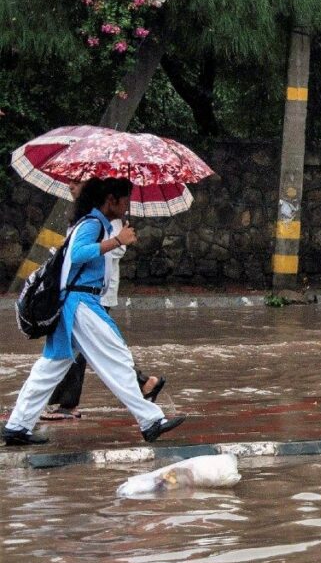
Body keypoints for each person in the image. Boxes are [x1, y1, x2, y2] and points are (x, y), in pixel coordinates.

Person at [2, 178, 185, 445]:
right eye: (125, 200)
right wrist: (116, 240)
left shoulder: (88, 222)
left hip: (73, 306)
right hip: (81, 305)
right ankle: (151, 421)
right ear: (111, 200)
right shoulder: (93, 224)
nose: (127, 206)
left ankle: (18, 426)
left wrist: (115, 239)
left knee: (51, 368)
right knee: (116, 357)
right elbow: (78, 255)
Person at [41, 188, 166, 421]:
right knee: (77, 355)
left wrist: (115, 240)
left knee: (99, 352)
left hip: (90, 296)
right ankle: (145, 395)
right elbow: (77, 252)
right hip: (80, 296)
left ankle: (62, 405)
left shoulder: (103, 221)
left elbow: (107, 251)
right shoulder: (89, 219)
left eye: (78, 182)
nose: (71, 186)